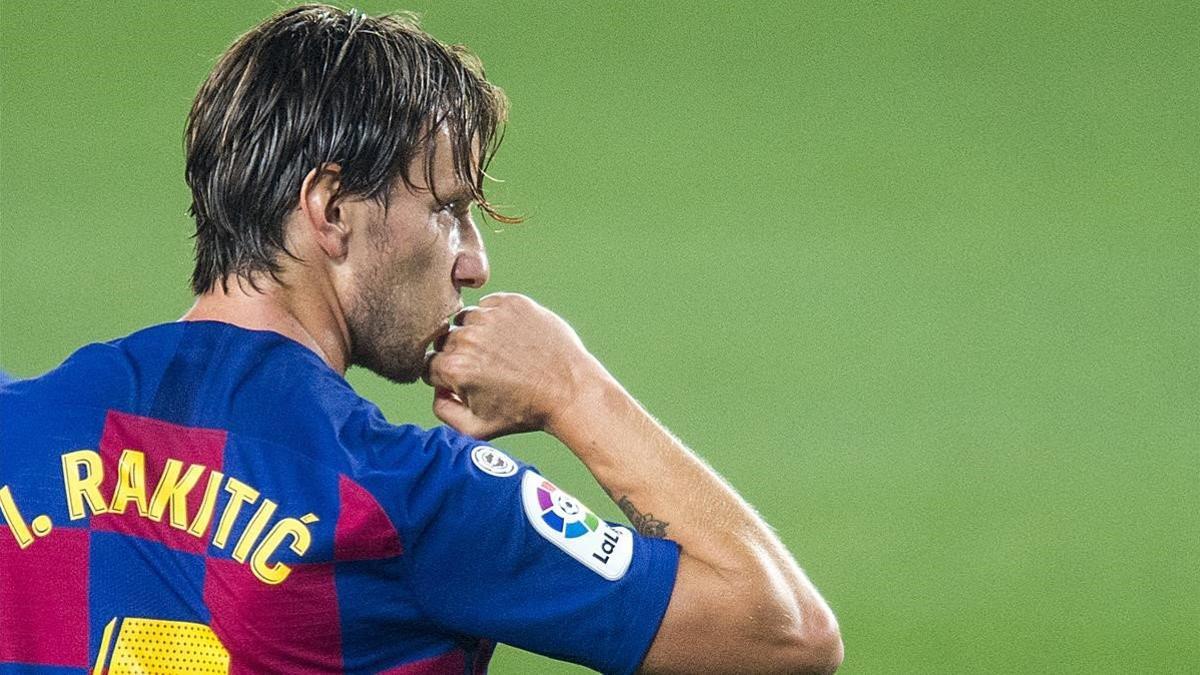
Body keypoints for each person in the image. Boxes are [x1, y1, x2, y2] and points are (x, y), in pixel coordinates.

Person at [0, 5, 841, 674]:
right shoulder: (408, 500)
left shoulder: (15, 428)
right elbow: (785, 634)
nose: (472, 261)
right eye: (447, 208)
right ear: (330, 210)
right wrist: (574, 388)